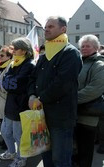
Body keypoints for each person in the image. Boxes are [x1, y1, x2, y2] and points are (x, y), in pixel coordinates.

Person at [28, 16, 82, 167]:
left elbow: (62, 83)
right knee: (47, 155)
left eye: (51, 26)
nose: (46, 29)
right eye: (46, 26)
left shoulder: (70, 53)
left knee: (60, 159)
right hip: (42, 115)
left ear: (63, 29)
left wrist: (41, 99)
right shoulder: (45, 55)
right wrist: (31, 95)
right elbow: (32, 77)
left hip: (61, 118)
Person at [0, 38, 35, 167]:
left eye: (15, 49)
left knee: (18, 136)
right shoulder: (15, 63)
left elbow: (16, 84)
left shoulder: (29, 65)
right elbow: (6, 80)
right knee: (5, 131)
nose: (12, 51)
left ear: (24, 50)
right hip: (11, 104)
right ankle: (11, 152)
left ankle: (21, 159)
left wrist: (8, 81)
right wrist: (9, 81)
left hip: (20, 105)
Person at [76, 34, 104, 167]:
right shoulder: (79, 62)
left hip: (89, 116)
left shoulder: (99, 64)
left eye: (88, 46)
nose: (84, 48)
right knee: (76, 149)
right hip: (75, 113)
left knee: (85, 151)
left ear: (96, 48)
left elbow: (94, 90)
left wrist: (71, 99)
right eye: (82, 46)